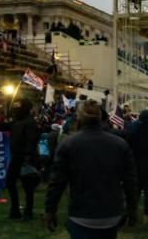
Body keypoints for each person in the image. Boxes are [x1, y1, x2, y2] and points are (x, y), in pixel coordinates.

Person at [44, 100, 138, 238]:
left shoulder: (68, 144)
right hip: (111, 213)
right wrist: (132, 209)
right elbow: (130, 181)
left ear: (79, 117)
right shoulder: (120, 145)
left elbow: (57, 182)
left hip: (81, 213)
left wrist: (50, 210)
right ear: (100, 117)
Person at [7, 98, 39, 221]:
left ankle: (28, 212)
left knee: (28, 186)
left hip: (26, 157)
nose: (15, 109)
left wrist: (28, 158)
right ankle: (15, 209)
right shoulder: (16, 120)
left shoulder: (30, 122)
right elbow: (6, 127)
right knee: (10, 182)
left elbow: (31, 141)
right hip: (16, 156)